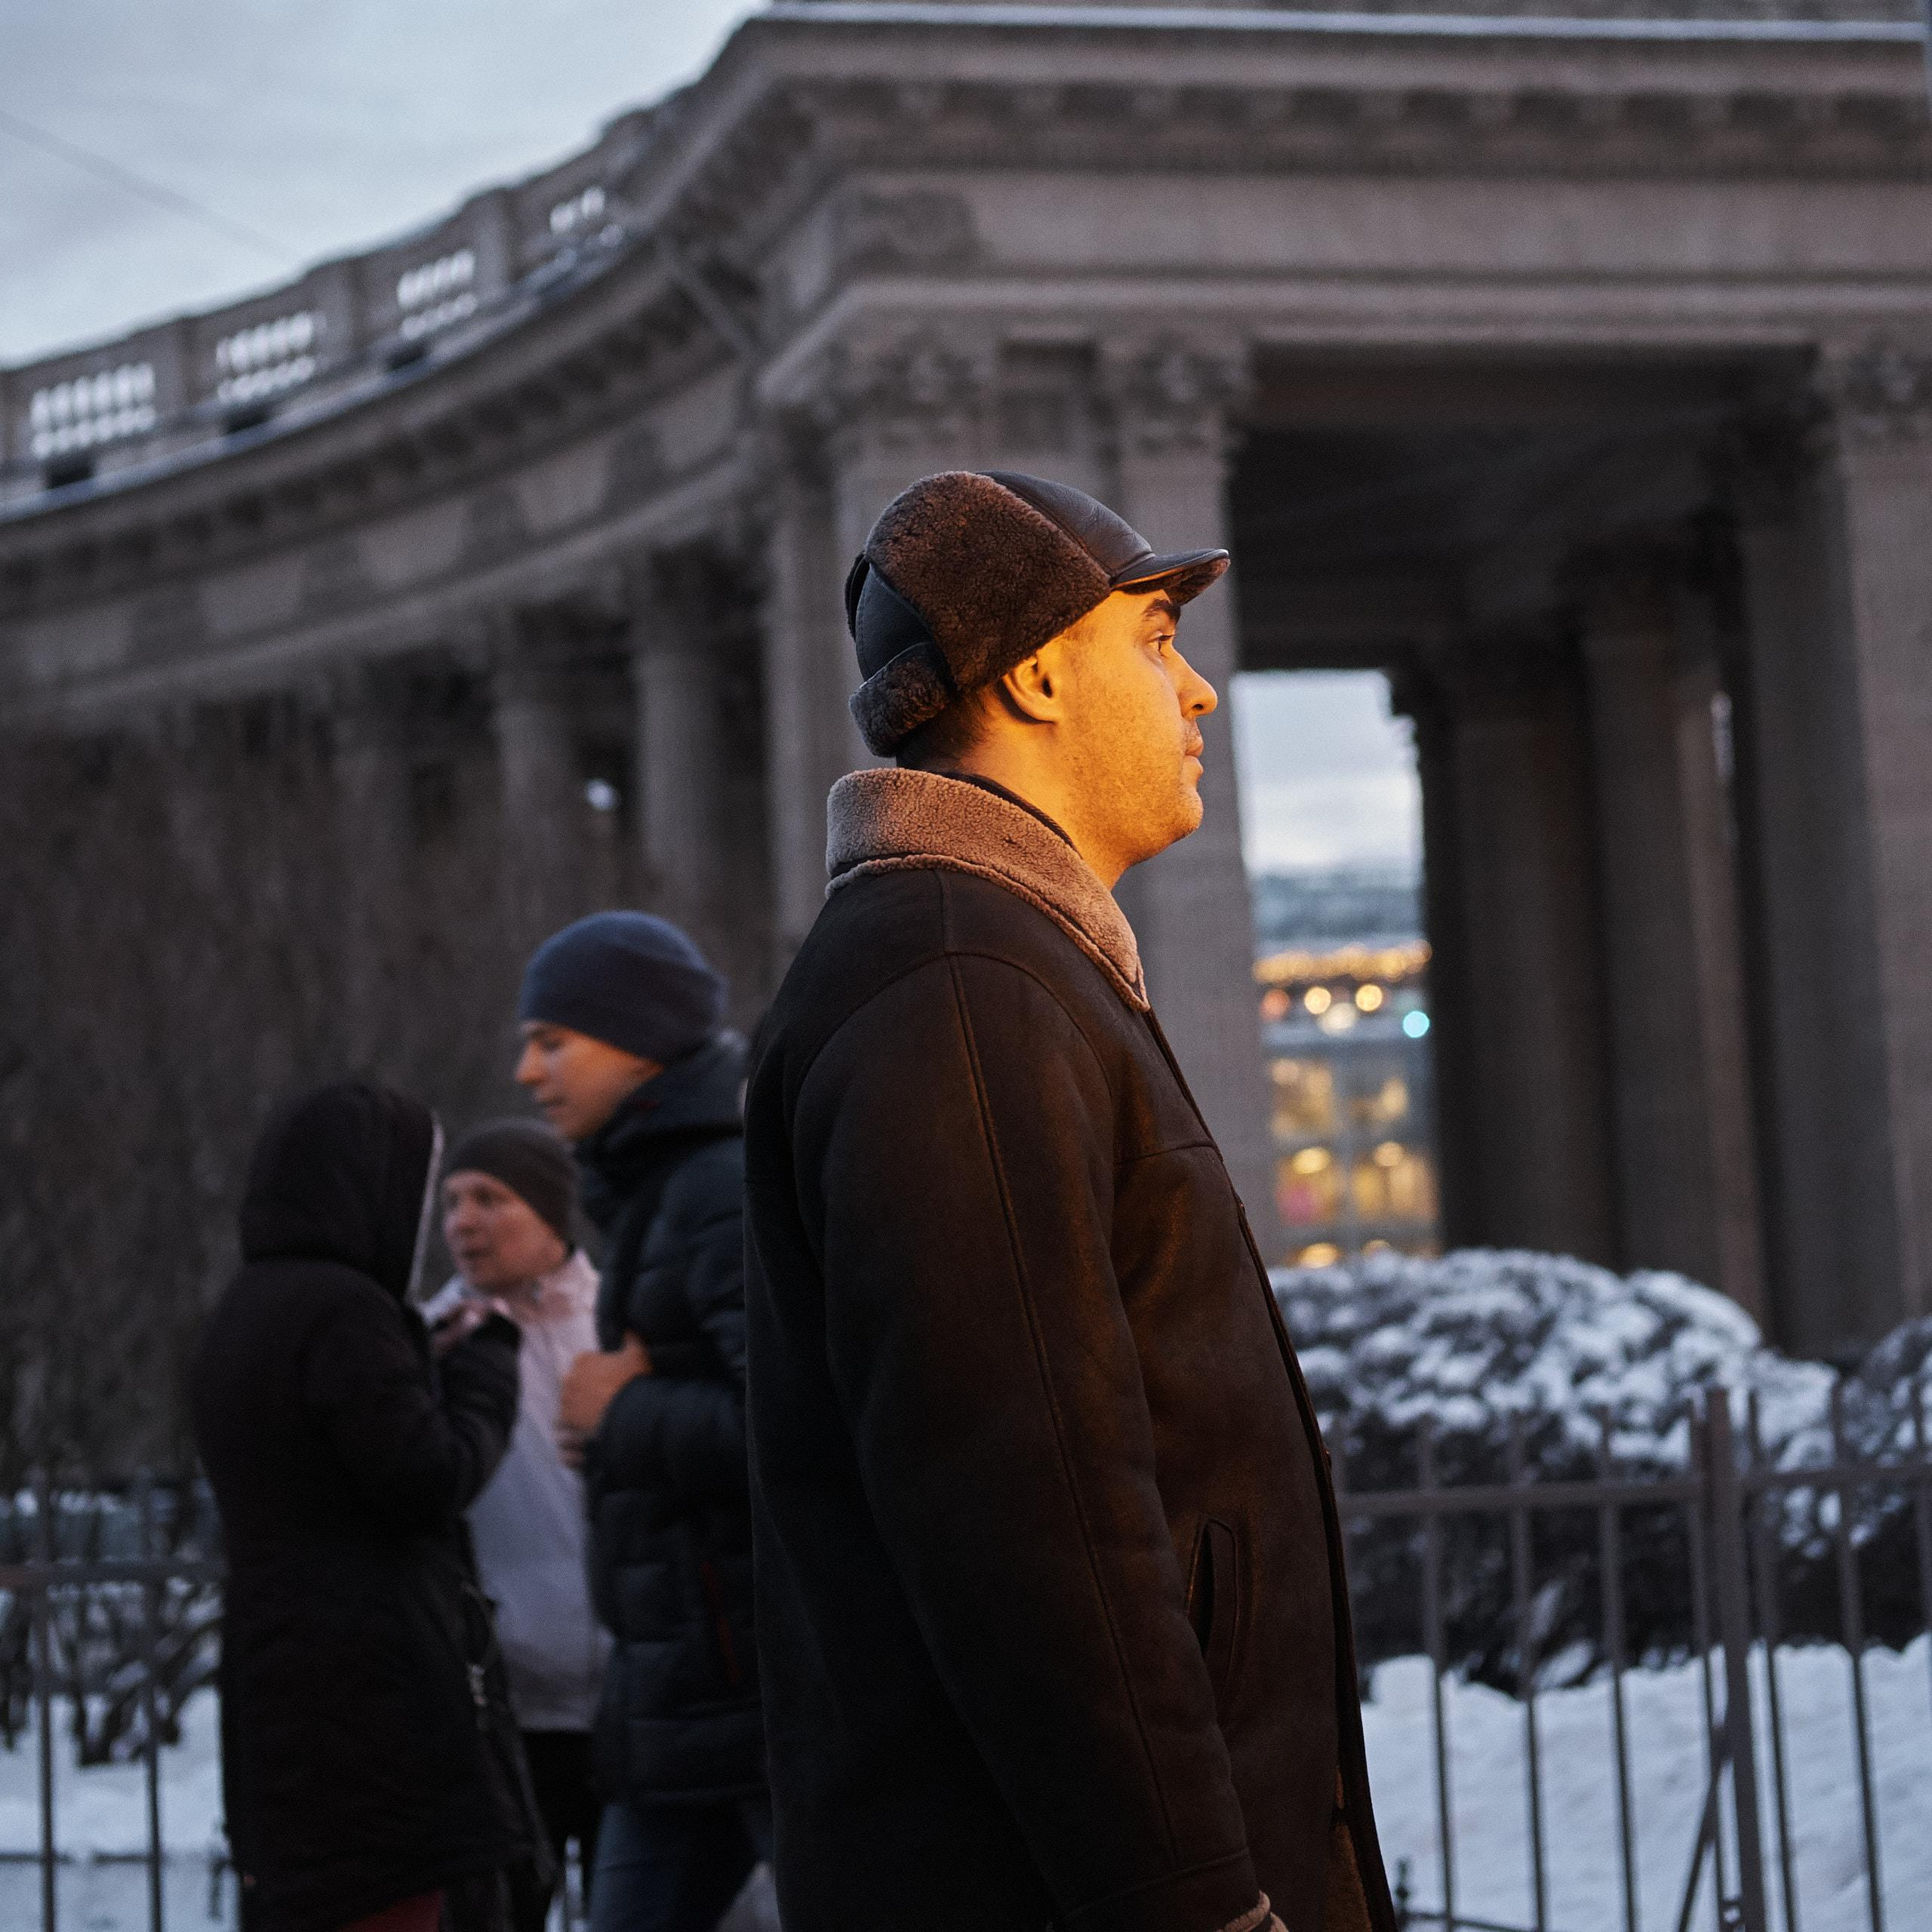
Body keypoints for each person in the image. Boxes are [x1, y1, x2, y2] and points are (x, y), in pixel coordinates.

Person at [743, 470, 1398, 1932]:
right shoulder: (958, 987)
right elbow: (1031, 1515)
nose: (1199, 690)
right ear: (1036, 674)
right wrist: (1197, 1900)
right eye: (1154, 638)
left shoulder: (981, 966)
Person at [190, 1081, 534, 1932]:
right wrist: (487, 1368)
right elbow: (428, 1476)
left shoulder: (244, 1309)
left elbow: (325, 1450)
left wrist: (416, 1364)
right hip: (369, 1701)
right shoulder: (344, 1309)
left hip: (279, 1684)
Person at [512, 912, 767, 1932]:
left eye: (552, 1041)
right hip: (681, 1706)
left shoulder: (716, 1191)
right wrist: (615, 1430)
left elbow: (802, 1428)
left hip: (760, 1705)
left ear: (640, 1043)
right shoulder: (655, 1193)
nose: (527, 1071)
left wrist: (626, 1412)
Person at [423, 1119, 609, 1932]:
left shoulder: (619, 1325)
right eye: (452, 1202)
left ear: (552, 1211)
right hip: (501, 1714)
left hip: (627, 1707)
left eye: (490, 1199)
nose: (463, 1222)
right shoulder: (430, 1343)